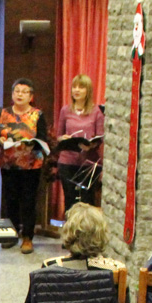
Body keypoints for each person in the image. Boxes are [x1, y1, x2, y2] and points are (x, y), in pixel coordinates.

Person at [0, 77, 50, 254]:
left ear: (31, 96)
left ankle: (27, 237)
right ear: (12, 94)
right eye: (17, 91)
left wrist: (31, 143)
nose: (20, 95)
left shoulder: (37, 114)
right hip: (8, 164)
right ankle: (11, 235)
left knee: (28, 201)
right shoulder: (3, 113)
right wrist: (0, 139)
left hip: (31, 165)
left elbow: (43, 138)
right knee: (10, 200)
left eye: (24, 92)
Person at [53, 73, 104, 215]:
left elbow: (100, 136)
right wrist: (64, 138)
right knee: (70, 199)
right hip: (67, 161)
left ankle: (86, 233)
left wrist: (90, 145)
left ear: (88, 91)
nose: (76, 90)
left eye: (81, 87)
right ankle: (71, 232)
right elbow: (58, 135)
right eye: (74, 87)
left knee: (86, 200)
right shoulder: (66, 110)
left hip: (88, 162)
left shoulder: (96, 112)